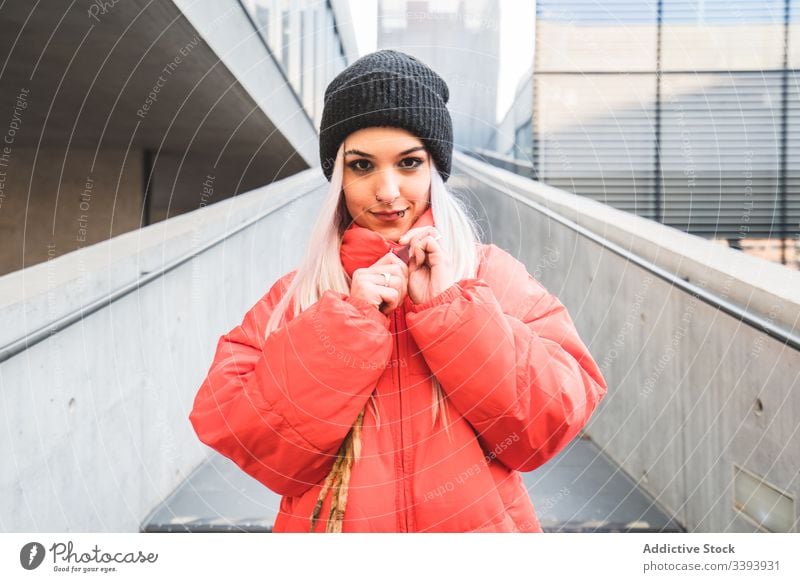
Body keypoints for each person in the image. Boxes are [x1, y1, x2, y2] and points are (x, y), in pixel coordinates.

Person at [188, 49, 608, 533]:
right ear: (338, 179)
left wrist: (454, 312)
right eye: (362, 166)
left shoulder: (489, 274)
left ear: (435, 170)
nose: (388, 190)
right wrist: (346, 324)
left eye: (409, 163)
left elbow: (548, 424)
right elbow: (244, 430)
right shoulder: (302, 294)